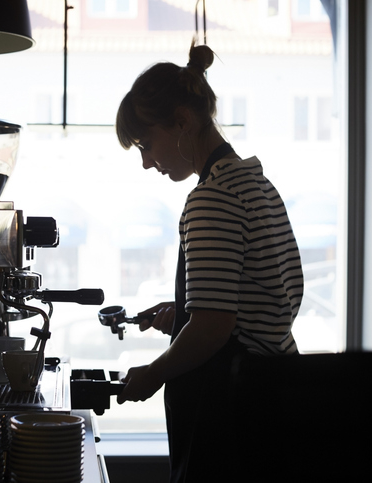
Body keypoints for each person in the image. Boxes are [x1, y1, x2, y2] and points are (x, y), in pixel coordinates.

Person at [114, 40, 304, 482]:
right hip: (271, 392)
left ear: (181, 122)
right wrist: (182, 314)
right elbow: (251, 303)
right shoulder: (257, 184)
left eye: (147, 144)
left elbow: (214, 326)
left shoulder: (211, 199)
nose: (146, 163)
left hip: (230, 409)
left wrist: (152, 374)